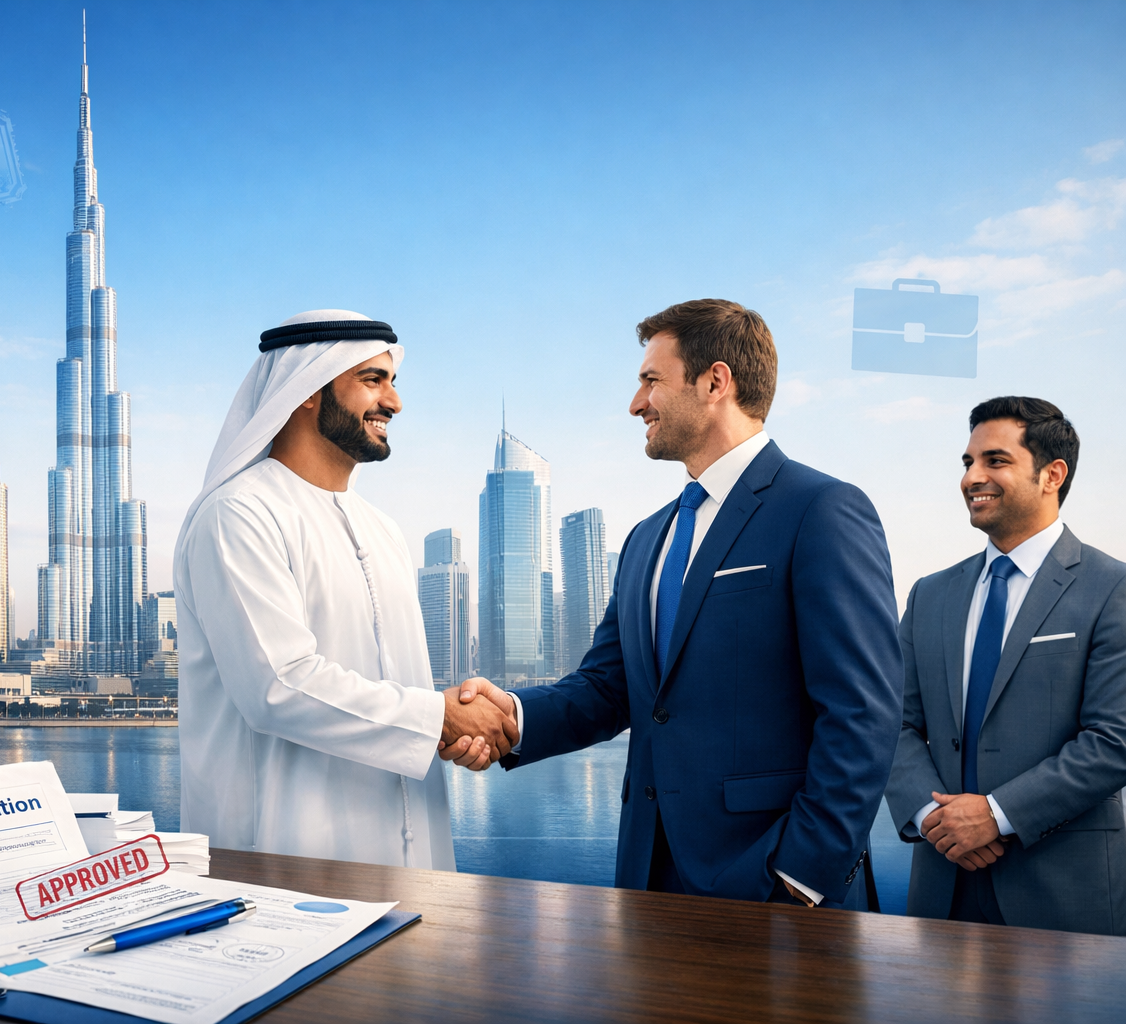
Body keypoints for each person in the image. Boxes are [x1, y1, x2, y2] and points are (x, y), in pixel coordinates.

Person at [449, 299, 901, 908]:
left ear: (715, 382)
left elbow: (863, 712)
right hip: (647, 875)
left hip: (774, 886)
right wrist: (512, 715)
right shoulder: (646, 539)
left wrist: (800, 877)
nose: (636, 403)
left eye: (651, 380)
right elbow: (609, 688)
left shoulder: (822, 510)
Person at [175, 310, 516, 869]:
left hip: (410, 864)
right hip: (283, 858)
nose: (394, 402)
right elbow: (278, 685)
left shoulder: (383, 530)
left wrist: (450, 729)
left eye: (392, 381)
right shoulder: (238, 514)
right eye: (372, 380)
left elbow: (401, 688)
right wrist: (439, 717)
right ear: (307, 389)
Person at [885, 398, 1126, 934]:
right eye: (968, 462)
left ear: (1052, 475)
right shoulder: (929, 595)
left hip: (1063, 894)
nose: (972, 477)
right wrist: (935, 819)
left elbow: (1115, 740)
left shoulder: (1113, 588)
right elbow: (892, 723)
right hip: (942, 886)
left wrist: (995, 815)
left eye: (995, 460)